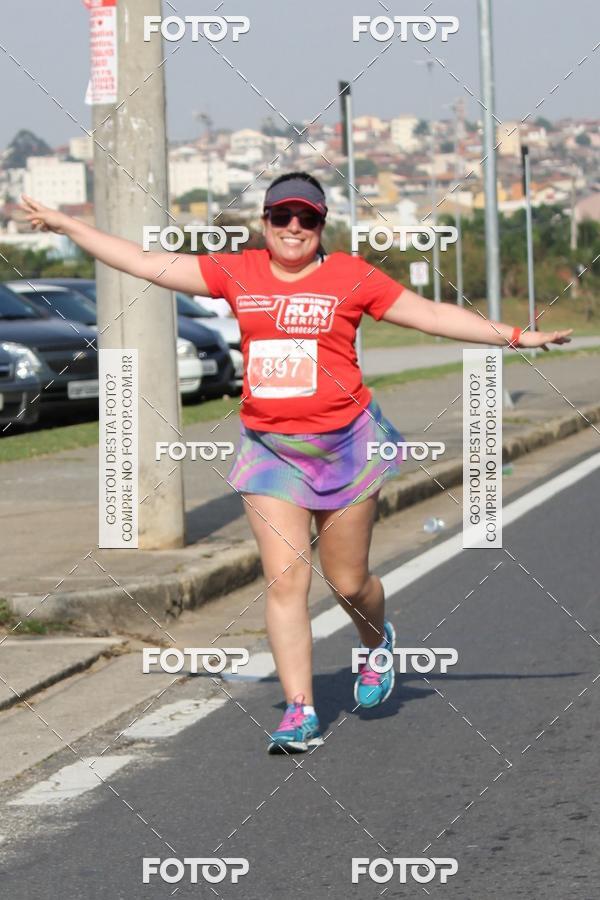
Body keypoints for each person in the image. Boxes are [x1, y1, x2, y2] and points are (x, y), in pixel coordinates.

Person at [21, 174, 571, 755]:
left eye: (306, 218)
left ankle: (376, 641)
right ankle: (299, 711)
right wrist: (68, 225)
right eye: (281, 216)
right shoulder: (238, 271)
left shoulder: (351, 276)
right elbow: (143, 261)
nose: (293, 228)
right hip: (270, 451)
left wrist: (516, 337)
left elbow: (431, 315)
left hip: (347, 447)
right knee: (286, 580)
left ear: (320, 225)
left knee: (349, 582)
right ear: (264, 222)